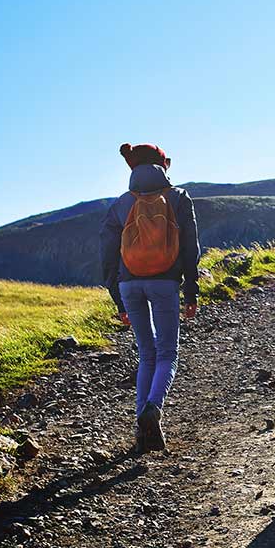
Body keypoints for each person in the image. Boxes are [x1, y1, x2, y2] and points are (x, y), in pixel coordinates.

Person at [101, 143, 201, 452]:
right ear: (163, 165)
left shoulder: (120, 205)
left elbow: (107, 256)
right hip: (164, 284)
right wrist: (191, 290)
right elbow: (190, 249)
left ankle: (141, 431)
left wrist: (117, 299)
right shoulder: (179, 198)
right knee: (167, 353)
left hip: (130, 285)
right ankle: (153, 408)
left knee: (146, 354)